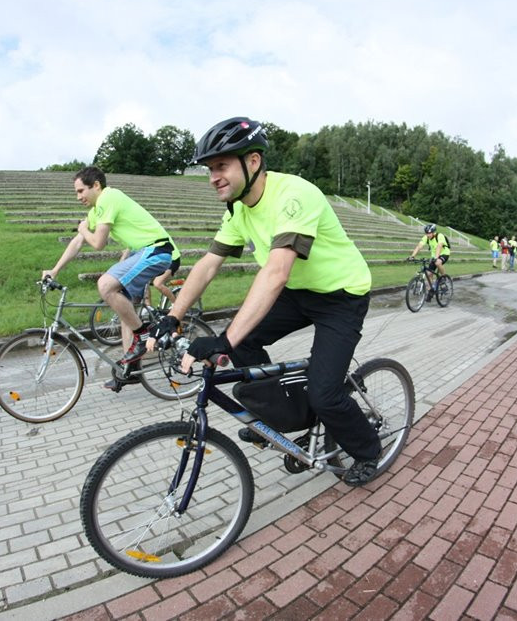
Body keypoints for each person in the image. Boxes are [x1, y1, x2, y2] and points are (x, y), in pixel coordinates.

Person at [150, 117, 382, 486]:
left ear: (253, 161)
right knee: (244, 341)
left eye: (221, 166)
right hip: (299, 295)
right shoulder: (239, 209)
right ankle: (281, 416)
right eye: (210, 169)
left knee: (325, 394)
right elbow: (209, 264)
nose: (213, 177)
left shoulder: (294, 195)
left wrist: (224, 341)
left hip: (341, 296)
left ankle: (369, 450)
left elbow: (276, 272)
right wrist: (173, 316)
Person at [41, 166, 176, 390]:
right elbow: (77, 242)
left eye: (81, 191)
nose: (78, 197)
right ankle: (130, 368)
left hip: (155, 250)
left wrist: (83, 229)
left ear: (96, 185)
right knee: (125, 311)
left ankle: (142, 337)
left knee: (105, 285)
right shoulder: (96, 212)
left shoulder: (109, 197)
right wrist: (54, 270)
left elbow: (97, 243)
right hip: (142, 252)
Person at [408, 223, 450, 289]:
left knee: (438, 262)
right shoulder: (426, 237)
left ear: (433, 232)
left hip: (444, 253)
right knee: (429, 273)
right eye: (426, 233)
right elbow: (419, 246)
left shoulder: (439, 236)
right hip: (434, 256)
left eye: (429, 233)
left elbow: (439, 246)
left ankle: (443, 277)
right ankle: (431, 290)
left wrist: (436, 258)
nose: (427, 235)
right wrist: (412, 256)